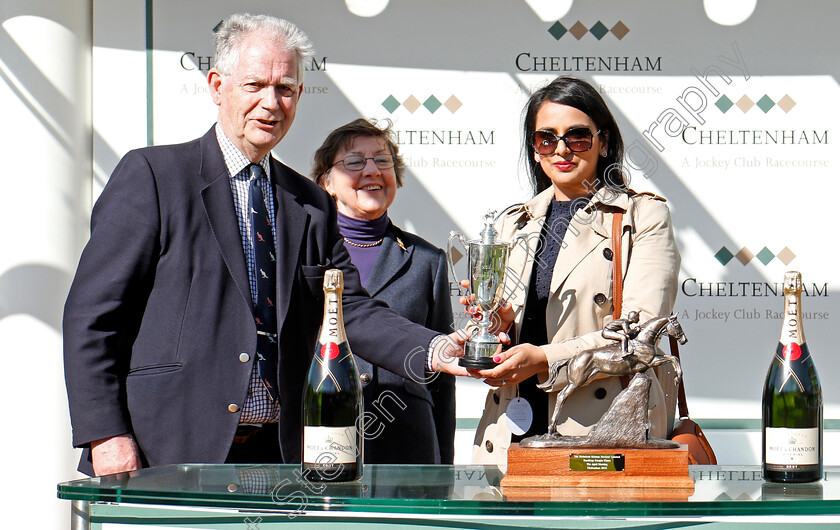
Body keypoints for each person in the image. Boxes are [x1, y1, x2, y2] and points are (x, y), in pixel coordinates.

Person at [63, 13, 464, 477]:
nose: (271, 103)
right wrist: (106, 434)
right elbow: (92, 317)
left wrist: (438, 350)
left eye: (286, 88)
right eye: (255, 85)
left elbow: (350, 308)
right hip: (171, 450)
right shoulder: (154, 177)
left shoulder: (309, 202)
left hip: (280, 457)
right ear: (217, 86)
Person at [468, 76, 681, 469]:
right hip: (509, 430)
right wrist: (493, 324)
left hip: (600, 430)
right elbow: (506, 323)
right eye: (546, 138)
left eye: (577, 136)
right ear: (534, 150)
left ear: (603, 142)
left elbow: (640, 334)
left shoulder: (643, 216)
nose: (561, 149)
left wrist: (544, 359)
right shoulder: (511, 225)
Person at [312, 118, 455, 464]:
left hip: (406, 444)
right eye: (355, 162)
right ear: (326, 182)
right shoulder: (307, 254)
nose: (372, 170)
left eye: (382, 160)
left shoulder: (427, 260)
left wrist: (443, 467)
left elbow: (443, 382)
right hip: (322, 439)